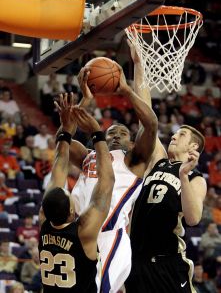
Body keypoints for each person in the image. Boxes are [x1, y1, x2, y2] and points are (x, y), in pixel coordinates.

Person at [125, 40, 207, 293]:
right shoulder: (158, 160)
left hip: (167, 264)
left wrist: (182, 175)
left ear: (193, 149)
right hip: (136, 261)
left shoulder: (195, 179)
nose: (174, 135)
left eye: (181, 135)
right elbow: (146, 114)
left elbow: (193, 218)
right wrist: (139, 66)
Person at [70, 64, 158, 292]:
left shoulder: (132, 161)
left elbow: (151, 125)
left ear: (131, 143)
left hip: (109, 239)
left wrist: (127, 91)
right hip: (78, 234)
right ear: (102, 138)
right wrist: (85, 100)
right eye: (112, 132)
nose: (117, 135)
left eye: (123, 133)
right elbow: (63, 140)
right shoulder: (88, 156)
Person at [38, 92, 115, 292]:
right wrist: (97, 132)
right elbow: (107, 181)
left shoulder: (44, 222)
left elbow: (59, 167)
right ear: (72, 212)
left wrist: (66, 132)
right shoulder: (83, 233)